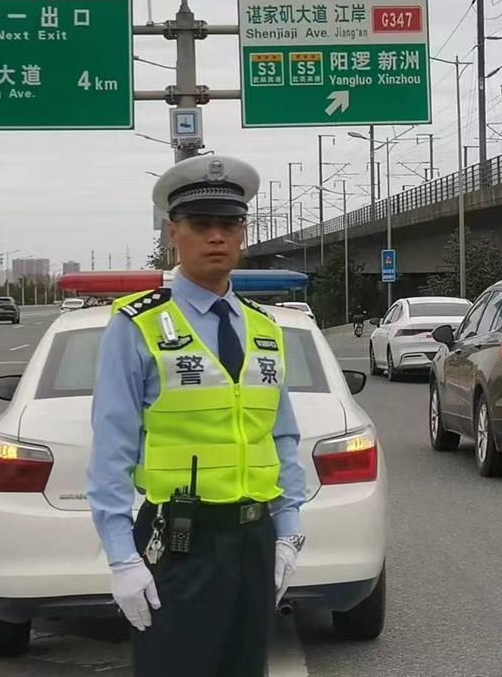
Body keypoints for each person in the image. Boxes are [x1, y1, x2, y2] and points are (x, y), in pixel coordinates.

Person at [88, 154, 306, 677]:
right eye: (200, 225)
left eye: (228, 225)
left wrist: (288, 532)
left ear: (243, 234)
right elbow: (111, 448)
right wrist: (122, 557)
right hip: (179, 540)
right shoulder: (137, 325)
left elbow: (283, 437)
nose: (216, 237)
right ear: (173, 234)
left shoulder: (265, 329)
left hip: (254, 538)